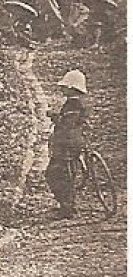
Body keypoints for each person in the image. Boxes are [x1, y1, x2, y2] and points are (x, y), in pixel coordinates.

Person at [45, 69, 90, 219]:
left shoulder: (74, 105)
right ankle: (68, 204)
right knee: (67, 173)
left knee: (56, 174)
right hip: (71, 141)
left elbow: (67, 124)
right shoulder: (75, 103)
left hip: (67, 143)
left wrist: (54, 117)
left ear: (72, 88)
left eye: (64, 87)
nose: (62, 89)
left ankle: (66, 207)